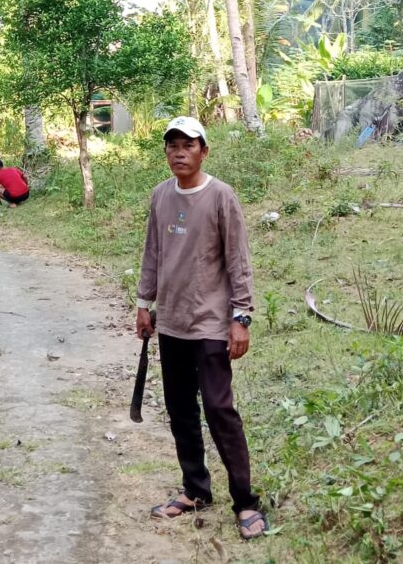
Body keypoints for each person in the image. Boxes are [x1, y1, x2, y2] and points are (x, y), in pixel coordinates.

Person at [135, 116, 267, 540]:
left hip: (210, 323)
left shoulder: (221, 197)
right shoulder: (160, 195)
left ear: (203, 151)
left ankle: (245, 501)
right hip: (171, 322)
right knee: (180, 411)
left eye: (188, 145)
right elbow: (153, 253)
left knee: (219, 410)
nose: (179, 151)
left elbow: (238, 261)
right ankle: (195, 489)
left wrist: (241, 317)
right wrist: (144, 304)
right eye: (172, 145)